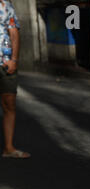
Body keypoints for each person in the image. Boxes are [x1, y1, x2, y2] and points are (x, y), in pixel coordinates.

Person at [0, 0, 29, 159]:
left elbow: (14, 32)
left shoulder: (6, 5)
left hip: (5, 63)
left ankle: (9, 148)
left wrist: (14, 60)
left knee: (9, 103)